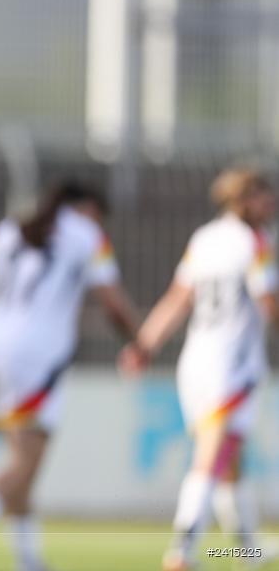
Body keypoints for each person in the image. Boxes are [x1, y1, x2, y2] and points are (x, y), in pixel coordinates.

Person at [0, 181, 140, 571]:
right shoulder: (87, 235)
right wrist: (141, 340)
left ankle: (28, 558)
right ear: (86, 208)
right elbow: (113, 302)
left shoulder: (12, 228)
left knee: (21, 458)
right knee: (27, 460)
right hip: (37, 358)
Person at [119, 166, 279, 571]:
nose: (271, 202)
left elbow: (177, 298)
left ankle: (245, 549)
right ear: (242, 201)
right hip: (234, 366)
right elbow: (269, 302)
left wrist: (144, 344)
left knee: (228, 458)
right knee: (212, 456)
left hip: (195, 364)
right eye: (263, 195)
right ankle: (182, 551)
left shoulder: (204, 239)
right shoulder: (256, 241)